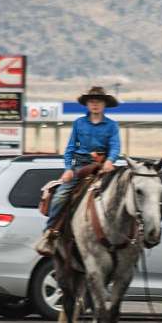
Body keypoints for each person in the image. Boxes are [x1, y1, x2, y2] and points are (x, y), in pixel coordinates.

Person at [35, 86, 121, 256]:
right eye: (92, 101)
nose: (95, 104)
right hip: (81, 167)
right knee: (60, 195)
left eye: (99, 101)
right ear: (87, 105)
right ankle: (50, 233)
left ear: (104, 105)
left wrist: (110, 160)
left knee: (120, 193)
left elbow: (115, 145)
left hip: (103, 167)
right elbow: (70, 148)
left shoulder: (112, 125)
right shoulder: (79, 123)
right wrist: (68, 169)